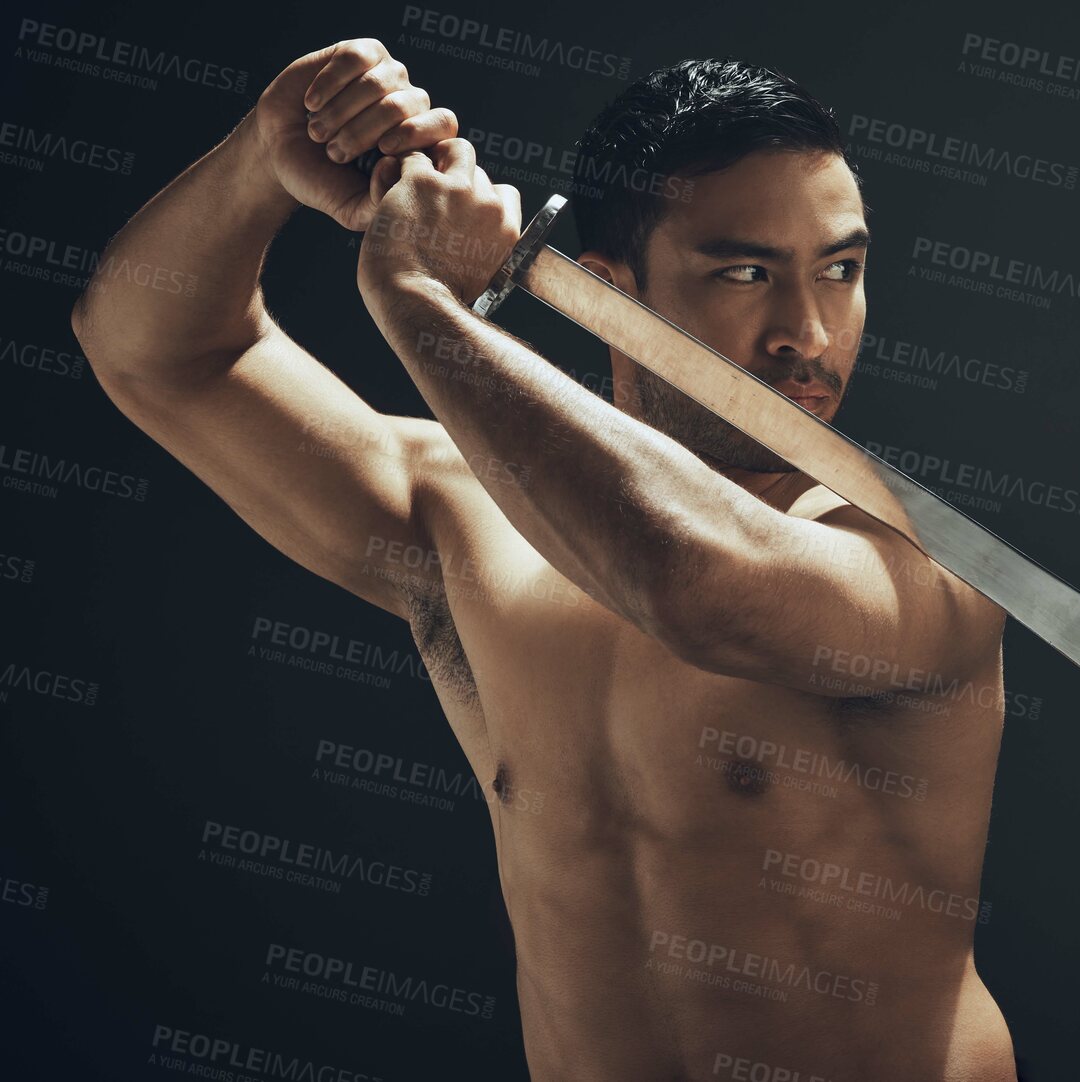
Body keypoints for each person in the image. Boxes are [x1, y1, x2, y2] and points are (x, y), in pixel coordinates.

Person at [73, 37, 1018, 1082]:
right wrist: (264, 152)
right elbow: (157, 352)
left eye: (840, 269)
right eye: (747, 272)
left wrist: (419, 301)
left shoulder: (902, 562)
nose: (809, 331)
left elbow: (687, 585)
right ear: (606, 289)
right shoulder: (465, 520)